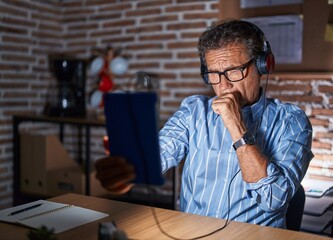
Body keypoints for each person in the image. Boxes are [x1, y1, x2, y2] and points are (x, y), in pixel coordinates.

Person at [95, 19, 314, 228]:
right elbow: (153, 157)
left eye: (234, 71)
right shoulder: (194, 112)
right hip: (193, 234)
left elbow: (274, 199)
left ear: (263, 66)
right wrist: (126, 173)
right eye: (214, 74)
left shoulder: (291, 122)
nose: (224, 86)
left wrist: (236, 124)